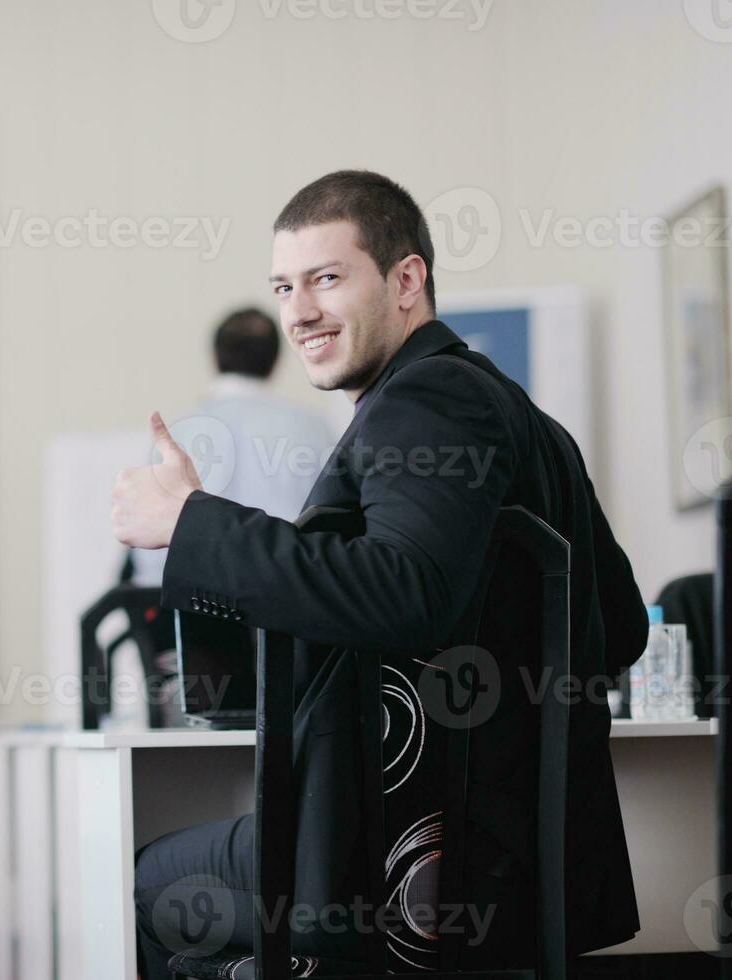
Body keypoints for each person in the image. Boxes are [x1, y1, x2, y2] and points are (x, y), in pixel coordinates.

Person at [111, 170, 645, 975]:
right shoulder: (532, 423)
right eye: (284, 286)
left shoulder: (426, 398)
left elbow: (403, 589)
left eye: (327, 279)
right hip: (511, 863)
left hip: (394, 862)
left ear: (406, 280)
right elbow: (623, 628)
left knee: (142, 887)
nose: (299, 312)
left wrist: (192, 523)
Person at [126, 308, 336, 587]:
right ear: (275, 360)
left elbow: (149, 555)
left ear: (215, 356)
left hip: (186, 609)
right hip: (284, 602)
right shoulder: (313, 429)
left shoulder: (174, 431)